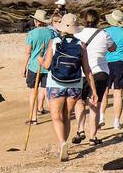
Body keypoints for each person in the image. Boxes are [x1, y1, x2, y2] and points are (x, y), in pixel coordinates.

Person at [39, 13, 99, 163]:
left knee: (56, 117)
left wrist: (40, 59)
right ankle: (63, 144)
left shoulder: (54, 42)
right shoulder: (81, 44)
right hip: (75, 84)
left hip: (56, 84)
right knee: (66, 116)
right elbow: (87, 69)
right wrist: (94, 90)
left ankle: (62, 144)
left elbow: (47, 65)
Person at [72, 9, 116, 145]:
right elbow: (113, 48)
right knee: (94, 104)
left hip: (81, 72)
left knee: (79, 101)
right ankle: (93, 136)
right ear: (98, 20)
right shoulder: (104, 34)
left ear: (83, 20)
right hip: (101, 72)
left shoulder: (77, 33)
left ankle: (80, 130)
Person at [101, 8, 123, 130]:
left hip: (106, 63)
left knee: (104, 92)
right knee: (118, 93)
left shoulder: (104, 31)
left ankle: (101, 117)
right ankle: (116, 121)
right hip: (120, 63)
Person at [23, 8, 55, 117]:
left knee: (33, 91)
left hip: (34, 66)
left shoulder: (31, 33)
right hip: (47, 66)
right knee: (44, 89)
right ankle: (42, 108)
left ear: (37, 21)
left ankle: (34, 117)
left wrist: (24, 67)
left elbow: (28, 53)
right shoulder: (51, 33)